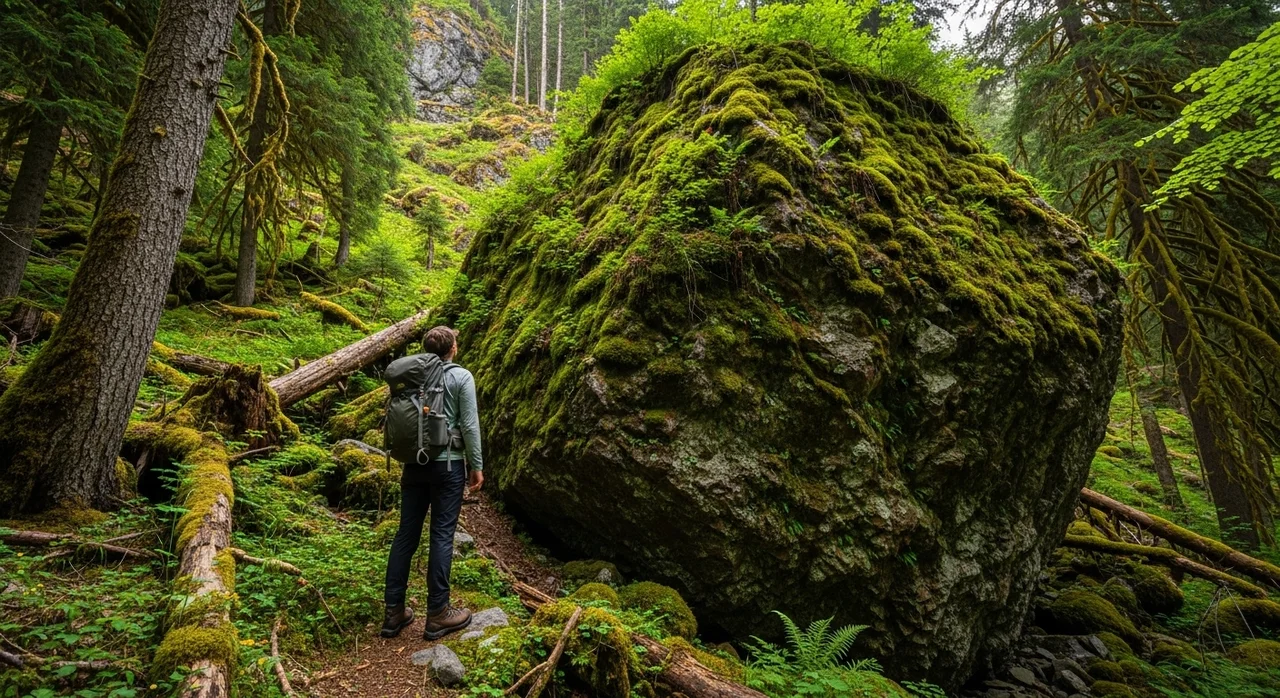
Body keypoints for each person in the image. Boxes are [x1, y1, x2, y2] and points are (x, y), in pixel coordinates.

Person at [381, 325, 484, 640]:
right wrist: (476, 465)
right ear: (453, 349)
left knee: (405, 535)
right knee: (441, 535)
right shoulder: (461, 376)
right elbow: (469, 425)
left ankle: (393, 612)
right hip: (447, 466)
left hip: (413, 465)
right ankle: (438, 613)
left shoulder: (412, 378)